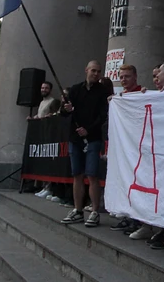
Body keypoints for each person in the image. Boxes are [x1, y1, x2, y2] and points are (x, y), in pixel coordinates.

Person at [136, 60, 164, 250]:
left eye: (160, 72)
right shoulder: (159, 95)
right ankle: (162, 230)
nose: (157, 76)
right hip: (161, 151)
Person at [59, 60, 108, 228]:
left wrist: (89, 129)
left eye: (99, 71)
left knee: (92, 174)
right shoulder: (74, 90)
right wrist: (66, 108)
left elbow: (103, 115)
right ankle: (78, 210)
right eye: (93, 70)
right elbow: (63, 113)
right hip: (75, 138)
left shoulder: (102, 91)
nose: (96, 74)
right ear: (86, 70)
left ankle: (94, 212)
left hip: (93, 138)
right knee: (77, 174)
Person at [109, 65, 145, 233]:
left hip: (138, 146)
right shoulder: (120, 97)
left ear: (135, 77)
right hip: (125, 147)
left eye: (127, 76)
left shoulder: (141, 94)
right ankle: (127, 216)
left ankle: (137, 220)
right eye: (121, 77)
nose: (124, 80)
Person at [30, 82, 61, 199]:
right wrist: (34, 118)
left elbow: (52, 115)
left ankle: (49, 187)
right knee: (43, 162)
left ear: (50, 90)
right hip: (42, 134)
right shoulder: (42, 102)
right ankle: (43, 186)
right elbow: (40, 115)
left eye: (46, 88)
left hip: (49, 135)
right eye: (42, 87)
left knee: (49, 162)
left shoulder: (52, 101)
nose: (44, 89)